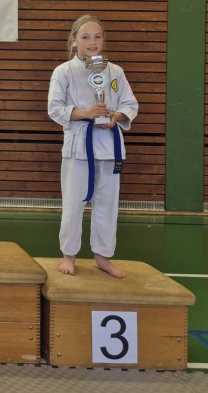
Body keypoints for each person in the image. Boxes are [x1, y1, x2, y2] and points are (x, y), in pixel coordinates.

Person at [47, 15, 139, 279]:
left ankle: (102, 257)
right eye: (85, 37)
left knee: (107, 205)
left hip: (109, 146)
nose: (92, 42)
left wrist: (116, 116)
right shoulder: (64, 71)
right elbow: (54, 108)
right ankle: (68, 255)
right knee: (74, 203)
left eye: (97, 36)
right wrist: (86, 113)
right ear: (73, 41)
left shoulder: (115, 71)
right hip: (79, 147)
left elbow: (130, 104)